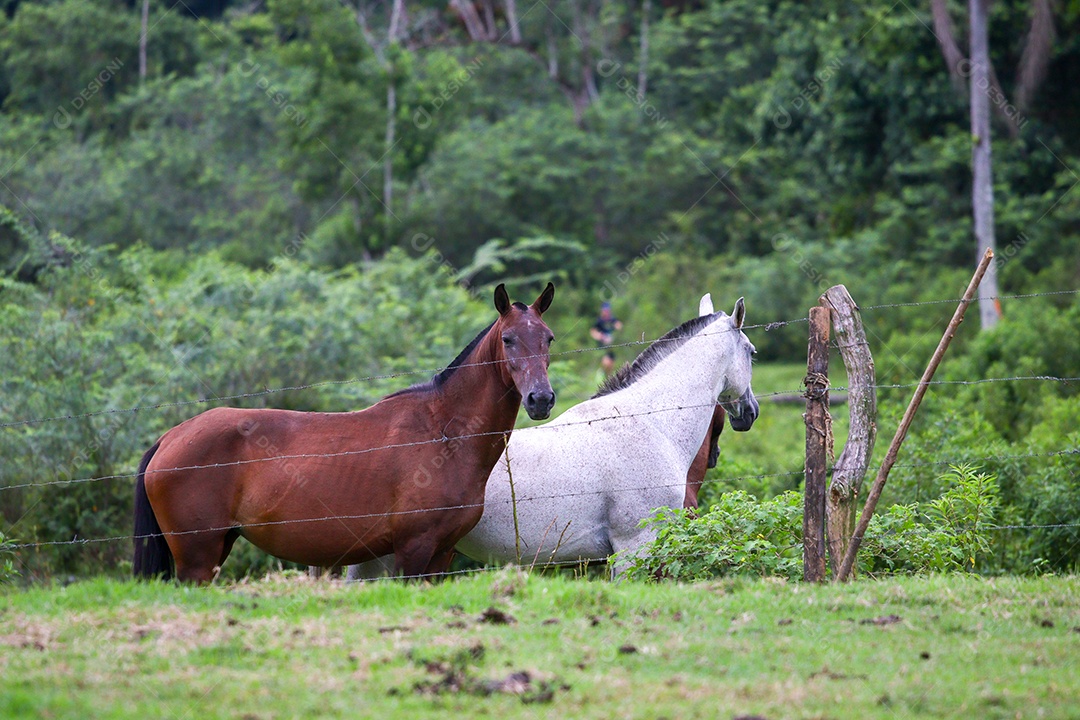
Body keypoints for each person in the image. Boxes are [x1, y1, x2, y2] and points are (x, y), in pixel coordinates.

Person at [589, 301, 623, 375]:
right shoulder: (599, 321)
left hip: (611, 347)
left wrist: (617, 327)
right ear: (602, 311)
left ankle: (607, 377)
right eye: (605, 310)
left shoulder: (612, 319)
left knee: (611, 365)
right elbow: (593, 331)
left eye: (607, 310)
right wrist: (600, 336)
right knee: (606, 362)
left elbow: (619, 325)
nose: (606, 312)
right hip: (602, 346)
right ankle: (601, 374)